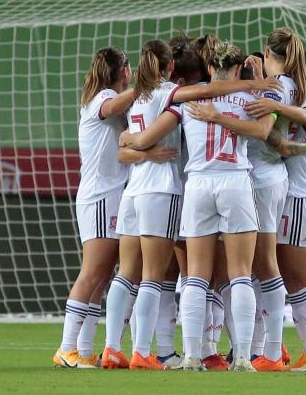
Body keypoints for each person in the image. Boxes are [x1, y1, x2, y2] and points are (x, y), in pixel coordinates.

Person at [101, 39, 282, 371]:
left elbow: (147, 134)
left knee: (195, 276)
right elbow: (263, 130)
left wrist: (128, 139)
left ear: (210, 67)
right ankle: (243, 356)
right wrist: (258, 86)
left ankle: (192, 356)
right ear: (239, 66)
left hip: (196, 184)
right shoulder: (250, 99)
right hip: (235, 181)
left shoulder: (187, 100)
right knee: (240, 274)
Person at [253, 50, 306, 372]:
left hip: (302, 198)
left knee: (304, 276)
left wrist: (274, 105)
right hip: (294, 197)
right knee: (292, 278)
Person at [52, 47, 136, 368]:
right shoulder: (101, 99)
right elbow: (114, 105)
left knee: (102, 277)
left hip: (112, 195)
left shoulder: (108, 100)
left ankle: (83, 350)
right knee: (93, 272)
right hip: (100, 196)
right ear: (124, 71)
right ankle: (66, 347)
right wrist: (145, 86)